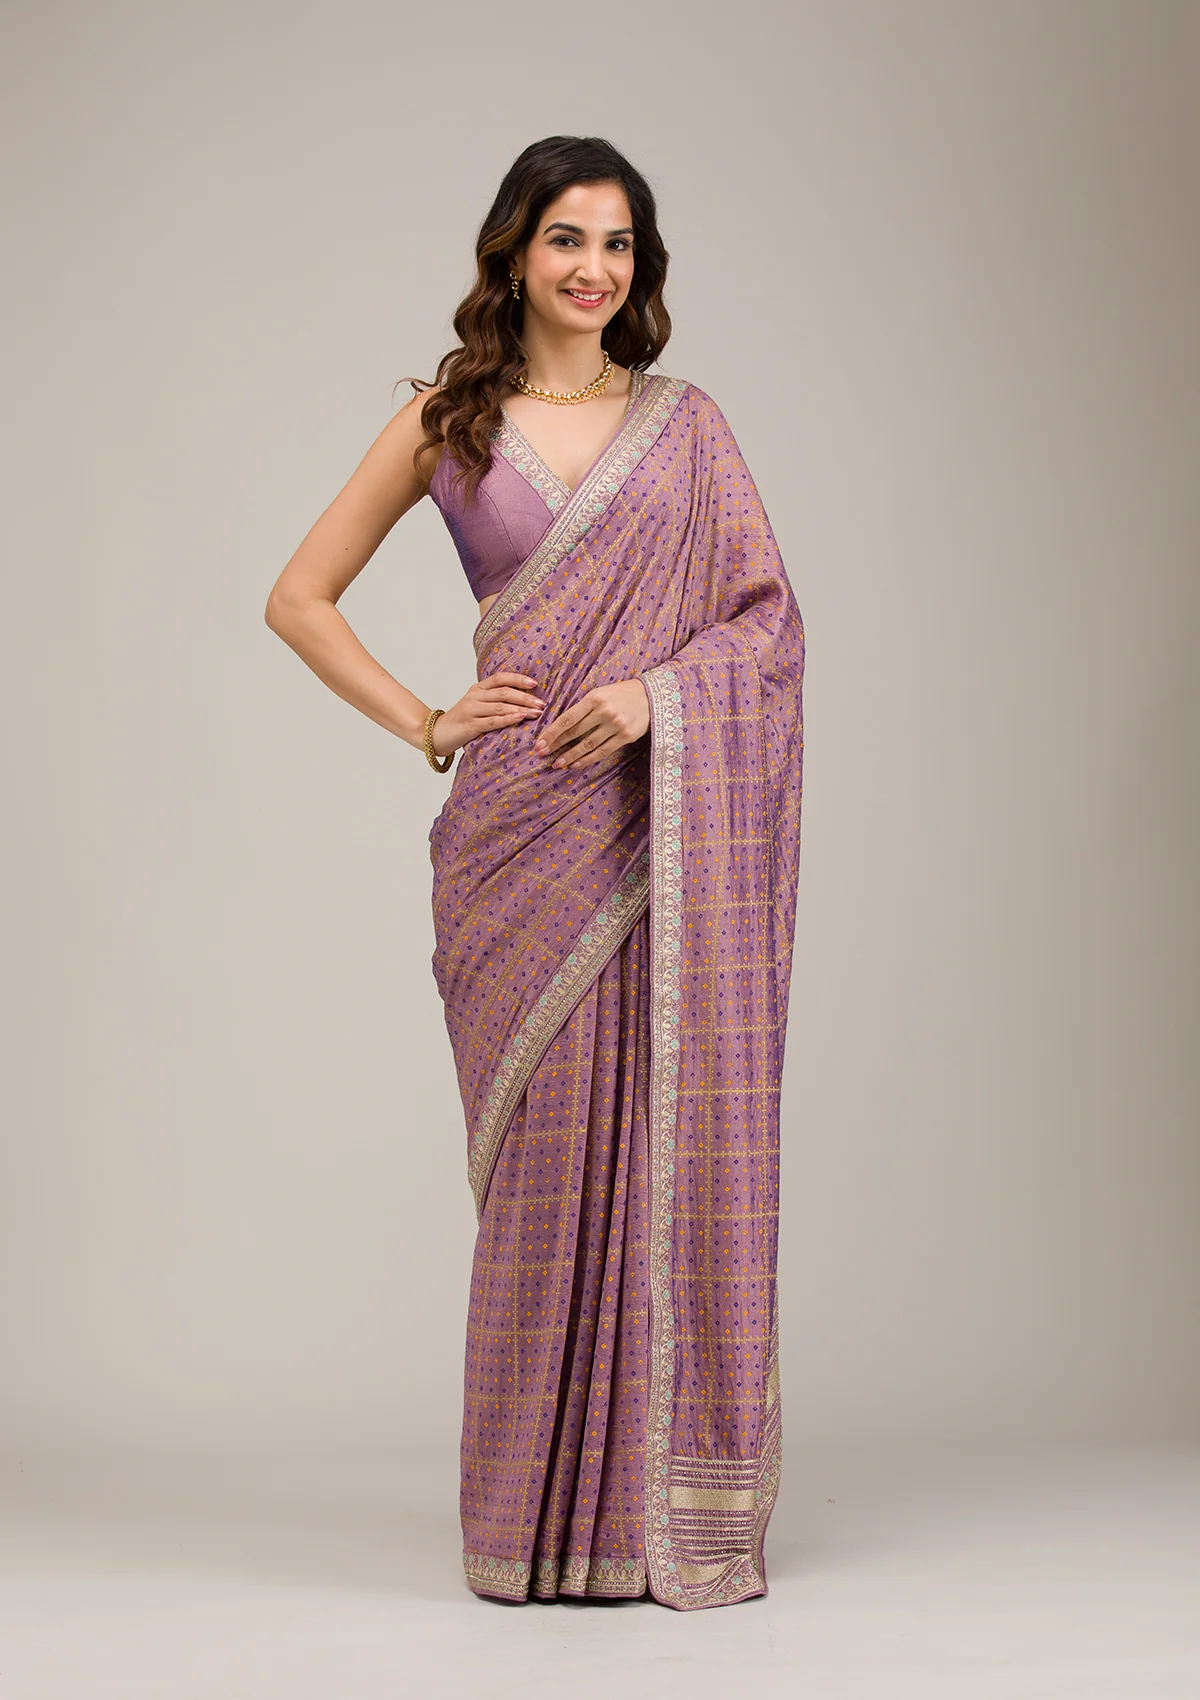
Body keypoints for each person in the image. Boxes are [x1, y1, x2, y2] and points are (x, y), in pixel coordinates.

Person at [265, 134, 805, 1612]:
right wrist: (428, 722)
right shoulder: (450, 419)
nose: (593, 268)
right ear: (514, 251)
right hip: (519, 837)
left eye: (618, 243)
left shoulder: (689, 431)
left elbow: (766, 625)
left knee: (655, 1151)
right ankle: (528, 1524)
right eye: (568, 237)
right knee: (543, 1178)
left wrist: (654, 697)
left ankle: (641, 1517)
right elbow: (299, 597)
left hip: (657, 823)